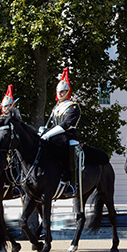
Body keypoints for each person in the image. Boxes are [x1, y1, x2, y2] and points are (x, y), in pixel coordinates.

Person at [40, 68, 81, 197]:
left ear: (67, 91)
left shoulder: (73, 106)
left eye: (63, 91)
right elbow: (53, 124)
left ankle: (70, 182)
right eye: (59, 91)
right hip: (56, 135)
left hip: (69, 135)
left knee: (68, 151)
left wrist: (48, 134)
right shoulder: (56, 107)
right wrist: (43, 131)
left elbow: (66, 124)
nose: (60, 93)